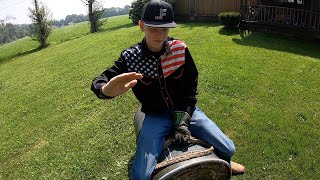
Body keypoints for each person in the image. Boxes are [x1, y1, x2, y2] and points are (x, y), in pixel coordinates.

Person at [91, 0, 245, 179]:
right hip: (156, 116)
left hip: (185, 110)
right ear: (141, 26)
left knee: (229, 148)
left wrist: (182, 119)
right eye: (153, 28)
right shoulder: (130, 57)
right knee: (141, 175)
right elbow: (101, 79)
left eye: (164, 29)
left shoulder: (180, 49)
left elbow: (191, 84)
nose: (159, 34)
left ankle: (225, 162)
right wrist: (105, 89)